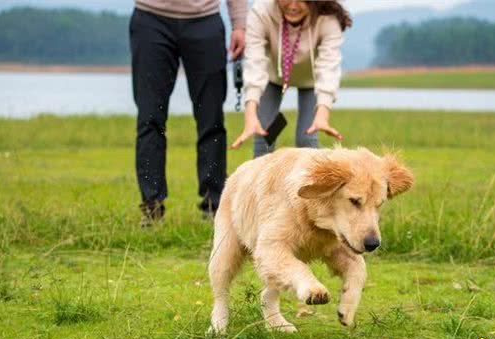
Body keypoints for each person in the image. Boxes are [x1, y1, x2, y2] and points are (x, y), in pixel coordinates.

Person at [130, 0, 247, 226]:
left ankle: (214, 206)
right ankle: (151, 207)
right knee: (150, 119)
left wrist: (239, 25)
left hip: (205, 20)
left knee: (211, 119)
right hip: (150, 19)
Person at [231, 0, 351, 157]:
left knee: (306, 140)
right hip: (272, 77)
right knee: (263, 136)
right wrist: (250, 114)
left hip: (312, 81)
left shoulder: (328, 18)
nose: (293, 6)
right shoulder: (261, 11)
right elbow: (255, 62)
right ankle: (260, 181)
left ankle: (308, 181)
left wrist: (322, 114)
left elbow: (328, 67)